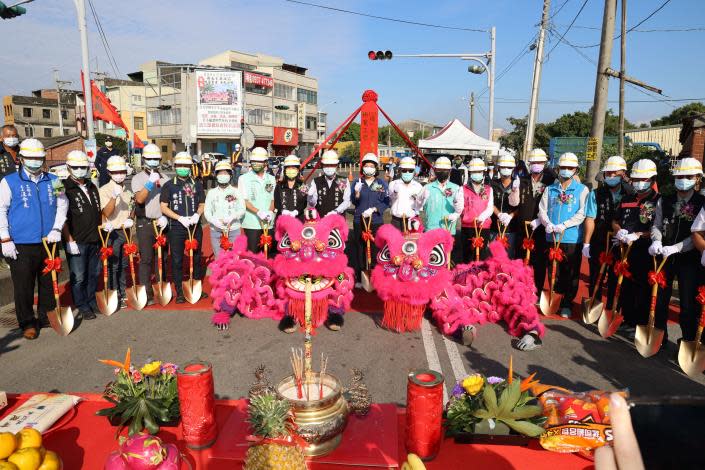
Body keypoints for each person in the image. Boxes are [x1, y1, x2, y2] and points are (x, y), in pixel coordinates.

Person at [0, 139, 67, 339]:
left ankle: (46, 316)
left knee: (48, 282)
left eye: (39, 158)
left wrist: (57, 228)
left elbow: (63, 204)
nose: (35, 162)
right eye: (30, 158)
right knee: (24, 285)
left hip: (48, 241)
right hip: (20, 243)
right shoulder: (9, 182)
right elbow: (1, 210)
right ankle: (27, 322)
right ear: (21, 158)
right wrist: (5, 238)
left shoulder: (54, 180)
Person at [650, 158, 704, 348]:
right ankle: (659, 337)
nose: (683, 180)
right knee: (659, 300)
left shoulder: (701, 203)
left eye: (688, 176)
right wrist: (656, 240)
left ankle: (688, 341)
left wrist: (678, 247)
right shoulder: (664, 200)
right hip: (664, 257)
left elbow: (698, 233)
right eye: (680, 176)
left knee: (688, 304)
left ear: (697, 178)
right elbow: (656, 225)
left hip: (689, 260)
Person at [538, 152, 589, 318]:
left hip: (571, 237)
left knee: (571, 272)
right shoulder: (550, 189)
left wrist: (564, 225)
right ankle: (556, 297)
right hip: (551, 236)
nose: (566, 170)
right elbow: (542, 209)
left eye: (570, 168)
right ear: (558, 169)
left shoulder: (582, 189)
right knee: (554, 270)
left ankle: (567, 303)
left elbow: (582, 213)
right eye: (563, 167)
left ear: (576, 170)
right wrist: (548, 224)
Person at [612, 159, 660, 333]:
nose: (639, 183)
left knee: (643, 289)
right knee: (626, 286)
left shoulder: (658, 200)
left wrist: (639, 235)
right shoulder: (626, 198)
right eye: (636, 179)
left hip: (646, 251)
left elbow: (660, 228)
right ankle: (628, 319)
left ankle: (640, 323)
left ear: (653, 179)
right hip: (625, 249)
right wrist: (619, 231)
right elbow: (615, 220)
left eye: (644, 179)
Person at [583, 156, 633, 302]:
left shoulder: (630, 193)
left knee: (616, 278)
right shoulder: (596, 193)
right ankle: (594, 304)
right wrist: (586, 242)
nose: (611, 176)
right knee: (595, 275)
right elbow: (590, 218)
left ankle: (612, 307)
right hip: (599, 240)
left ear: (623, 173)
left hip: (622, 242)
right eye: (608, 173)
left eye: (614, 173)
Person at [159, 152, 206, 303]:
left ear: (190, 167)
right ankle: (179, 291)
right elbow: (163, 207)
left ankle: (196, 286)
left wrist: (197, 215)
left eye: (186, 166)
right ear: (175, 166)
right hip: (176, 227)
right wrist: (179, 218)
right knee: (178, 259)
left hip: (194, 225)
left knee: (197, 257)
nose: (183, 168)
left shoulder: (196, 184)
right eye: (180, 166)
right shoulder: (169, 185)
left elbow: (202, 203)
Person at [62, 150, 101, 320]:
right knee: (79, 276)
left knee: (94, 273)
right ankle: (82, 304)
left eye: (83, 167)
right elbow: (61, 217)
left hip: (94, 238)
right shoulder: (64, 188)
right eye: (76, 167)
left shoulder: (92, 186)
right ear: (69, 167)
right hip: (77, 240)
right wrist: (69, 240)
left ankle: (91, 300)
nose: (80, 170)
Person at [131, 143, 168, 305]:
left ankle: (161, 286)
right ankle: (146, 290)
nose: (153, 161)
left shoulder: (166, 178)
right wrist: (150, 182)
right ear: (144, 159)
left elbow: (169, 202)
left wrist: (165, 217)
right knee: (146, 258)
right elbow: (139, 199)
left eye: (156, 158)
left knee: (162, 257)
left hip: (161, 222)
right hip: (145, 222)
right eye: (149, 158)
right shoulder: (137, 178)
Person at [518, 148, 557, 293]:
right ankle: (523, 290)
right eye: (534, 162)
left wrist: (541, 220)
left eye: (539, 162)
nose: (536, 165)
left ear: (544, 163)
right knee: (523, 261)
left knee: (540, 262)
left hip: (542, 228)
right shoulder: (522, 180)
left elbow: (553, 205)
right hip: (524, 227)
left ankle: (538, 290)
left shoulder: (551, 182)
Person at [98, 156, 134, 310]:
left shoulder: (128, 190)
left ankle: (123, 292)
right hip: (111, 231)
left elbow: (132, 209)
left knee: (124, 264)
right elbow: (106, 212)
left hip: (125, 230)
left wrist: (131, 219)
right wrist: (114, 196)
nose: (119, 174)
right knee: (113, 265)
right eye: (116, 172)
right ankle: (114, 294)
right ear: (109, 172)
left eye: (122, 171)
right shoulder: (104, 190)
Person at [351, 153, 390, 289]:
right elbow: (354, 201)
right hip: (359, 220)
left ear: (375, 168)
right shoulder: (357, 182)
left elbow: (386, 201)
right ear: (363, 168)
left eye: (371, 166)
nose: (368, 168)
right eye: (366, 166)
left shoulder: (381, 184)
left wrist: (375, 209)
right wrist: (356, 193)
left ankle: (375, 278)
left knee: (375, 250)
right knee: (360, 249)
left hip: (375, 221)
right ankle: (360, 277)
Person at [204, 160, 245, 257]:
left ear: (230, 175)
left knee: (234, 258)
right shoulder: (211, 193)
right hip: (216, 230)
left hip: (234, 230)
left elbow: (242, 209)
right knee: (219, 259)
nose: (223, 175)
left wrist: (233, 217)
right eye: (220, 173)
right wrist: (214, 221)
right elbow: (207, 211)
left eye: (225, 172)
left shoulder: (236, 192)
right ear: (216, 175)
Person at [239, 147, 275, 254]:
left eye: (259, 162)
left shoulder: (271, 179)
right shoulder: (243, 179)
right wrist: (258, 212)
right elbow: (244, 200)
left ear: (265, 163)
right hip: (252, 223)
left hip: (268, 222)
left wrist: (269, 212)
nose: (256, 164)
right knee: (252, 254)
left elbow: (273, 199)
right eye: (254, 161)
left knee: (267, 253)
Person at [460, 158, 494, 262]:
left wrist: (483, 217)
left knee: (481, 256)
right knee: (468, 255)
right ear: (470, 173)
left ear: (483, 172)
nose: (477, 174)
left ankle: (479, 277)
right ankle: (467, 277)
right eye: (474, 172)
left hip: (483, 226)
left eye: (479, 171)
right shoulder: (463, 189)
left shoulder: (488, 189)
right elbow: (460, 208)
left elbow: (490, 207)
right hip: (468, 226)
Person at [420, 156, 463, 232]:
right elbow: (417, 205)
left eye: (445, 170)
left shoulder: (456, 188)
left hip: (449, 230)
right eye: (440, 170)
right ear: (435, 170)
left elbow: (460, 208)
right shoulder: (427, 188)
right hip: (431, 230)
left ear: (450, 171)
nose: (442, 172)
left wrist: (455, 215)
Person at [491, 155, 520, 259]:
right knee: (493, 257)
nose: (506, 170)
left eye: (509, 167)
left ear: (513, 169)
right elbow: (490, 203)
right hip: (494, 227)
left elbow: (521, 206)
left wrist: (511, 216)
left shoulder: (517, 184)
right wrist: (498, 214)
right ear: (498, 168)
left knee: (509, 257)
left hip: (511, 228)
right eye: (503, 167)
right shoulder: (492, 184)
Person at [307, 150, 351, 217]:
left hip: (338, 220)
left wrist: (336, 211)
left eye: (332, 165)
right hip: (321, 220)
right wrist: (310, 197)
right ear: (322, 166)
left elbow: (347, 201)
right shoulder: (316, 181)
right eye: (326, 165)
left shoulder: (342, 181)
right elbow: (313, 204)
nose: (329, 167)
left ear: (336, 165)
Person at [388, 156, 423, 232]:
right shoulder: (393, 184)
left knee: (412, 243)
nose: (407, 172)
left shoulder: (418, 186)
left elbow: (420, 206)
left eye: (410, 170)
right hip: (396, 221)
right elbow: (391, 199)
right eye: (404, 170)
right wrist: (395, 192)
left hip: (413, 221)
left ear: (414, 171)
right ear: (400, 170)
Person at [274, 154, 307, 221]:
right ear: (285, 170)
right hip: (282, 220)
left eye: (293, 168)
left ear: (298, 170)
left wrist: (296, 212)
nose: (291, 170)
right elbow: (276, 202)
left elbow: (304, 203)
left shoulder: (302, 185)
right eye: (288, 168)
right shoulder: (279, 185)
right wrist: (282, 211)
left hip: (298, 220)